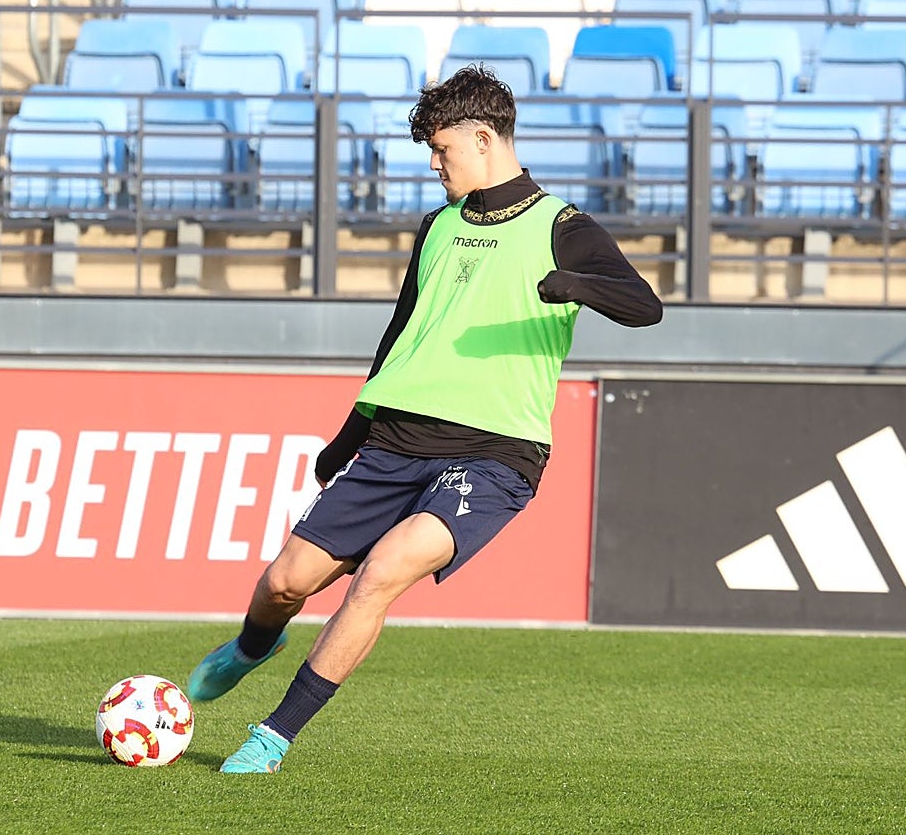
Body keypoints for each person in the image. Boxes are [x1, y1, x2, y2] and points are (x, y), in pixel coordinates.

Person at [188, 64, 663, 774]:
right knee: (285, 581)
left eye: (442, 151)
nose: (435, 165)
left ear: (483, 137)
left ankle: (273, 736)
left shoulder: (565, 226)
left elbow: (643, 305)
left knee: (382, 571)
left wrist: (575, 284)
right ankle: (253, 646)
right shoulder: (438, 226)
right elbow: (403, 330)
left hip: (497, 453)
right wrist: (350, 432)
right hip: (394, 440)